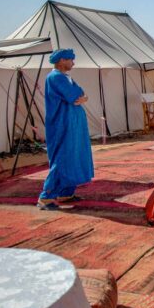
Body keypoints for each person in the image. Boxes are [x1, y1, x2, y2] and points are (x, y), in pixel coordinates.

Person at [37, 49, 94, 210]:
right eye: (71, 60)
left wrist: (82, 97)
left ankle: (65, 193)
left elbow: (81, 93)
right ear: (62, 60)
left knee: (74, 157)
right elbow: (74, 95)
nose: (73, 63)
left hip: (72, 125)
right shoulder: (55, 77)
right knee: (63, 158)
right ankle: (46, 198)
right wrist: (81, 97)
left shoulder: (65, 77)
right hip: (62, 125)